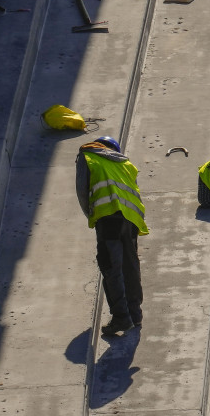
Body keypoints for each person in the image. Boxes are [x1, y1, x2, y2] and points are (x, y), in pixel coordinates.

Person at [75, 136, 148, 336]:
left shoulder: (89, 156)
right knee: (130, 266)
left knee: (111, 268)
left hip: (108, 219)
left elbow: (82, 190)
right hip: (131, 220)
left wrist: (92, 215)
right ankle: (135, 314)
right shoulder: (126, 163)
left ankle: (121, 318)